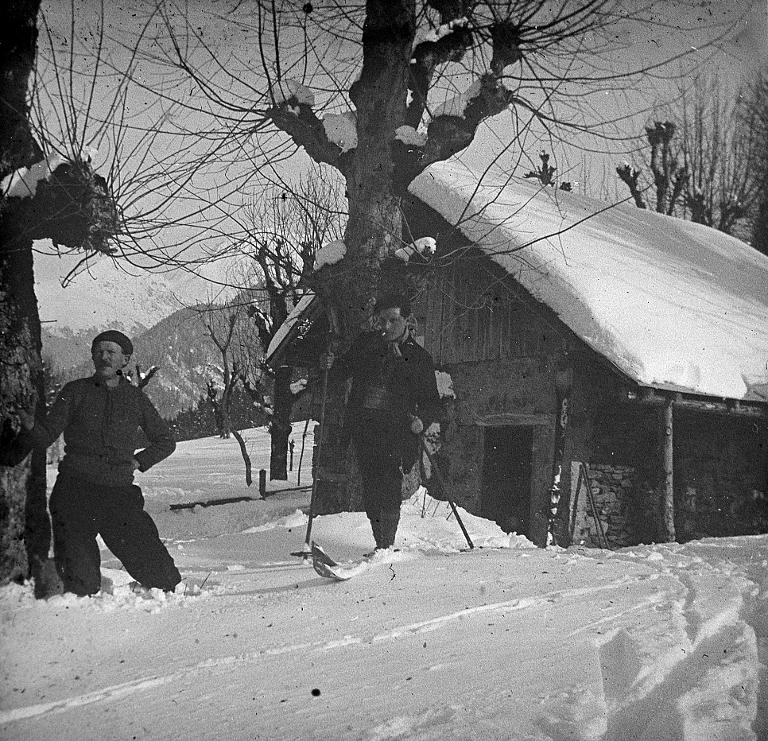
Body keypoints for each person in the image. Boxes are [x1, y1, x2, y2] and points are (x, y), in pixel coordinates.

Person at [19, 330, 181, 596]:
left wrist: (139, 461)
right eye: (99, 351)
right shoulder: (75, 391)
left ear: (124, 359)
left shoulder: (135, 398)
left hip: (118, 493)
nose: (104, 357)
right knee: (81, 586)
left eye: (111, 352)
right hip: (74, 492)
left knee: (162, 577)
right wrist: (29, 425)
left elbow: (165, 440)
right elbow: (46, 434)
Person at [325, 294, 440, 552]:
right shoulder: (366, 344)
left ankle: (385, 546)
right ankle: (381, 542)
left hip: (397, 432)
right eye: (381, 321)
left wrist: (422, 421)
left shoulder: (419, 358)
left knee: (388, 487)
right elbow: (341, 371)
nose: (386, 327)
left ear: (407, 321)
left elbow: (432, 402)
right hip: (365, 428)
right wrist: (330, 366)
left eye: (392, 320)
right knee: (370, 491)